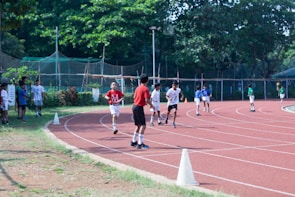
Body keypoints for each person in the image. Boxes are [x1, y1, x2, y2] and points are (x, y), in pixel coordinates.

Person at [130, 73, 153, 149]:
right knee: (143, 125)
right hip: (139, 107)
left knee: (138, 125)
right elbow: (147, 100)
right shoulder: (145, 89)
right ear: (147, 81)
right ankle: (140, 143)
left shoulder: (137, 88)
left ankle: (133, 141)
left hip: (134, 106)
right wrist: (151, 105)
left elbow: (134, 96)